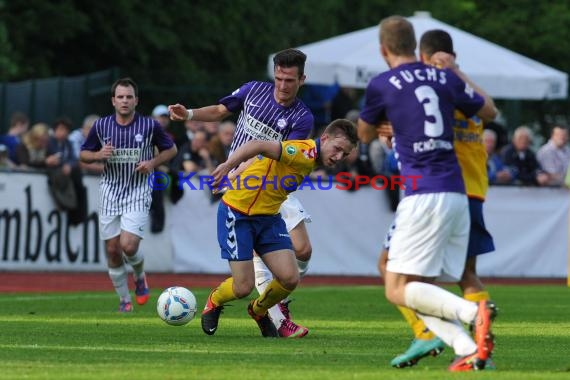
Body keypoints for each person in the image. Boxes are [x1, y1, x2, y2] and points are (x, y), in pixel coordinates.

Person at [357, 16, 498, 372]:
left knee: (394, 284)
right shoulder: (445, 78)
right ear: (413, 44)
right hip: (457, 192)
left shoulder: (383, 83)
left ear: (383, 49)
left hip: (422, 193)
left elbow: (362, 134)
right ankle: (469, 349)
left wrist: (385, 126)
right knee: (422, 282)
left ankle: (472, 313)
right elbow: (486, 110)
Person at [169, 48, 315, 337]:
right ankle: (272, 314)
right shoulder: (253, 91)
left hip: (275, 191)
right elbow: (221, 110)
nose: (283, 86)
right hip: (240, 191)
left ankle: (271, 308)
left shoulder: (302, 118)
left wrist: (235, 167)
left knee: (301, 252)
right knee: (245, 283)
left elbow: (278, 155)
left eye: (290, 80)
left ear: (302, 80)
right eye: (279, 79)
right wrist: (189, 114)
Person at [202, 119, 358, 337]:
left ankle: (258, 310)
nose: (339, 156)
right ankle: (214, 301)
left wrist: (241, 171)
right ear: (324, 139)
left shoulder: (314, 159)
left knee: (290, 278)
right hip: (238, 214)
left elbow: (263, 157)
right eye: (338, 149)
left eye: (345, 154)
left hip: (269, 218)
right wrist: (228, 167)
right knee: (242, 287)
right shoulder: (303, 152)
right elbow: (258, 144)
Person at [80, 78, 177, 312]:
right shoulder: (102, 126)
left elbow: (172, 150)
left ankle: (140, 275)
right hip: (110, 192)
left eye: (129, 97)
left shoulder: (150, 126)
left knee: (129, 246)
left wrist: (152, 162)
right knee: (113, 250)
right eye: (120, 97)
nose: (125, 101)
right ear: (113, 101)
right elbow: (83, 155)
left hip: (138, 190)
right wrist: (97, 155)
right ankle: (124, 300)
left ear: (136, 100)